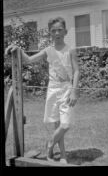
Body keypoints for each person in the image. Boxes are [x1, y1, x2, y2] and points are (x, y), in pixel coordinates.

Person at [5, 17, 80, 164]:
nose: (57, 33)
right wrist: (18, 49)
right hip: (53, 89)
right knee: (57, 124)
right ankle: (63, 155)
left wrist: (74, 90)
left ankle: (50, 143)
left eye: (59, 30)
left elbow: (77, 71)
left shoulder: (70, 50)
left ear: (65, 31)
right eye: (53, 31)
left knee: (66, 124)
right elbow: (29, 60)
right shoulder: (48, 50)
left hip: (66, 88)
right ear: (50, 34)